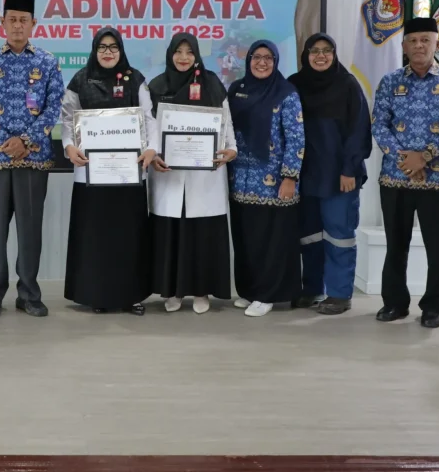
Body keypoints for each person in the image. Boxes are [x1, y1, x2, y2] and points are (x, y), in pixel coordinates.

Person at [371, 17, 439, 329]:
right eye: (412, 41)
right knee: (395, 244)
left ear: (437, 44)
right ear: (403, 46)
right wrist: (405, 160)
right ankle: (395, 304)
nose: (418, 46)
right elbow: (379, 124)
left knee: (437, 247)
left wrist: (424, 157)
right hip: (395, 177)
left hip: (438, 179)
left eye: (425, 40)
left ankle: (433, 308)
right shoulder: (389, 82)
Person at [0, 0, 64, 318]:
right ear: (2, 23)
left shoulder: (48, 62)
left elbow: (54, 108)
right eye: (12, 19)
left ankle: (29, 294)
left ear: (33, 24)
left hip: (34, 159)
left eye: (24, 20)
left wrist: (25, 140)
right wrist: (4, 140)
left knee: (29, 229)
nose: (18, 26)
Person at [62, 27, 158, 315]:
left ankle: (131, 295)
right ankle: (97, 295)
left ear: (121, 50)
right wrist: (68, 146)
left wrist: (152, 148)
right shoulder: (79, 80)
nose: (107, 52)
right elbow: (67, 120)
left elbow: (148, 117)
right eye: (102, 47)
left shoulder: (136, 79)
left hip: (128, 174)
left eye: (113, 47)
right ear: (94, 50)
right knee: (96, 236)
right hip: (91, 174)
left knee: (128, 235)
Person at [148, 33, 236, 313]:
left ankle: (201, 292)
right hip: (168, 172)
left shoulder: (211, 84)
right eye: (178, 51)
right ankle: (172, 291)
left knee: (202, 233)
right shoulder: (157, 86)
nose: (184, 57)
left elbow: (226, 123)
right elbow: (148, 129)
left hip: (204, 176)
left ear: (197, 55)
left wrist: (231, 148)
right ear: (170, 54)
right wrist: (152, 157)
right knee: (171, 232)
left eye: (189, 52)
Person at [288, 33, 372, 315]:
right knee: (308, 235)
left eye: (327, 51)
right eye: (314, 51)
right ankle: (312, 289)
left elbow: (359, 129)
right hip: (305, 175)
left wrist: (349, 169)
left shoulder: (347, 85)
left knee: (339, 234)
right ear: (306, 55)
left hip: (340, 176)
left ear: (334, 54)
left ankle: (339, 293)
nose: (320, 56)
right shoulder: (295, 85)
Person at [228, 41, 305, 317]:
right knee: (247, 239)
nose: (262, 62)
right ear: (248, 60)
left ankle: (267, 294)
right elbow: (226, 130)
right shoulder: (237, 90)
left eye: (268, 58)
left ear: (275, 61)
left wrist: (289, 177)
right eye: (257, 57)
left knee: (271, 241)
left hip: (274, 182)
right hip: (241, 180)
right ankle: (250, 290)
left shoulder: (286, 94)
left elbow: (296, 138)